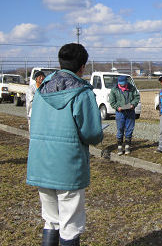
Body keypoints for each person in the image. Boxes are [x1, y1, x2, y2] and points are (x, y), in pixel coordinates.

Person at [26, 43, 104, 245]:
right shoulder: (81, 92)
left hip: (41, 163)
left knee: (51, 221)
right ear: (82, 66)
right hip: (68, 167)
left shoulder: (42, 88)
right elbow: (92, 134)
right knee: (70, 225)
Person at [109, 75, 140, 155]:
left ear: (126, 82)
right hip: (120, 113)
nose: (122, 85)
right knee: (120, 129)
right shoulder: (114, 90)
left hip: (130, 111)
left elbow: (136, 97)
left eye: (123, 83)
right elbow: (112, 101)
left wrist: (133, 104)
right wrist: (117, 107)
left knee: (129, 129)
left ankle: (127, 146)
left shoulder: (132, 88)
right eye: (121, 84)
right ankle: (119, 146)